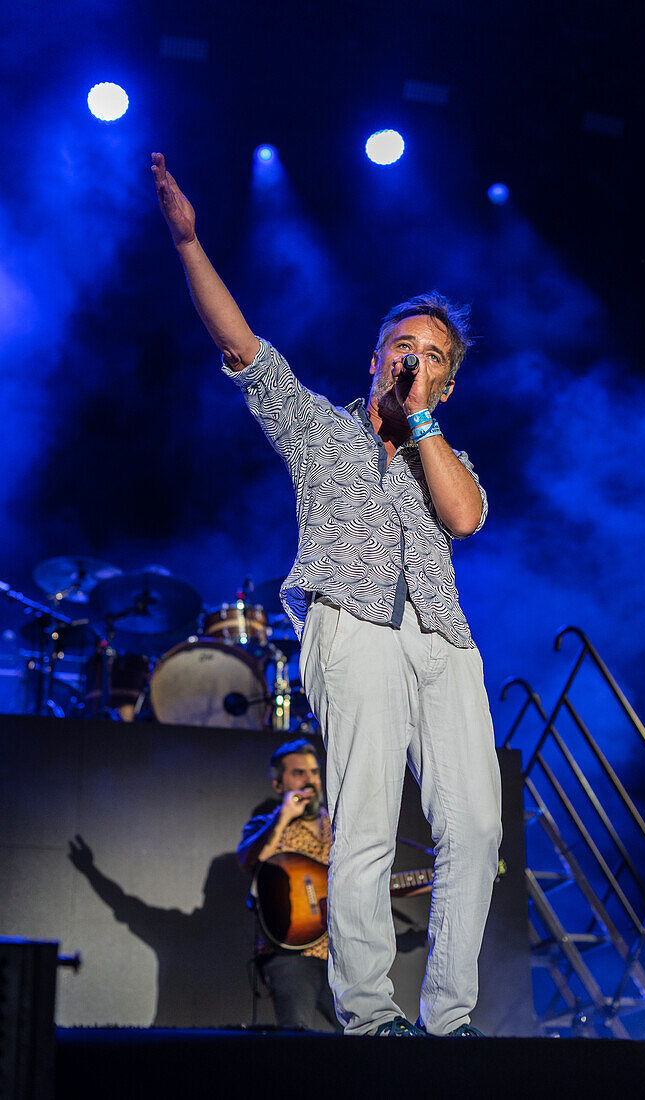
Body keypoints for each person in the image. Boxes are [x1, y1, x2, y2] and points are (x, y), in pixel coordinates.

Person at [152, 151, 502, 1037]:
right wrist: (191, 244)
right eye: (403, 349)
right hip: (353, 627)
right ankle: (369, 1014)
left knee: (477, 832)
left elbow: (464, 521)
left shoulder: (446, 456)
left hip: (443, 640)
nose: (414, 364)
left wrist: (424, 425)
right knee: (369, 821)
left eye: (433, 359)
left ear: (446, 384)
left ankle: (451, 1020)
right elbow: (243, 348)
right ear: (375, 356)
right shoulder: (321, 431)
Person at [237, 738, 338, 1031]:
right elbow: (248, 861)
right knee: (296, 1035)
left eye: (314, 772)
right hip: (291, 953)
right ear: (279, 784)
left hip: (339, 952)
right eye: (299, 773)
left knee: (362, 1034)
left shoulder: (338, 825)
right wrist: (282, 818)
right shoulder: (263, 825)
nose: (310, 781)